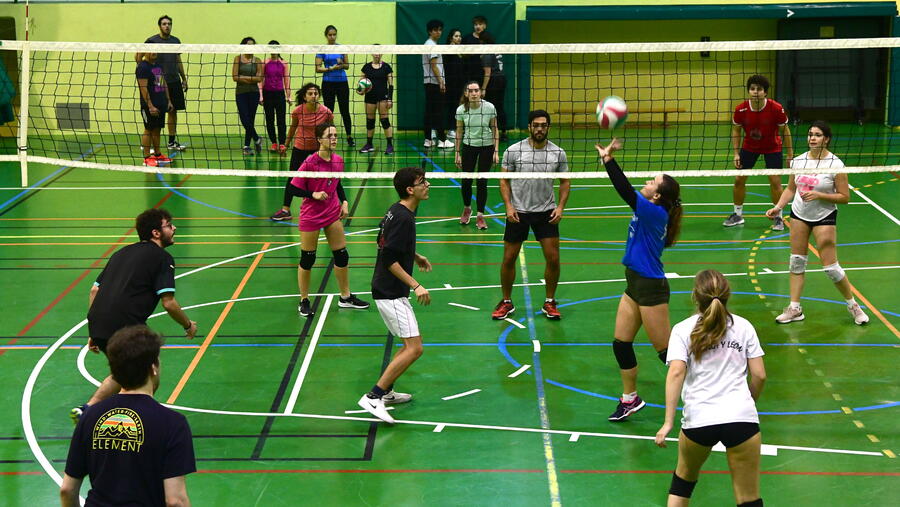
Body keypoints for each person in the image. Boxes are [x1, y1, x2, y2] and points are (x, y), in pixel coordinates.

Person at [72, 208, 198, 424]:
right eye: (169, 225)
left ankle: (88, 410)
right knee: (150, 372)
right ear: (156, 233)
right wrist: (188, 325)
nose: (174, 228)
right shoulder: (162, 258)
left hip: (99, 325)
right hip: (126, 326)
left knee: (124, 372)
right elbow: (169, 303)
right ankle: (135, 419)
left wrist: (94, 329)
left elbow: (94, 291)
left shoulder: (121, 253)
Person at [654, 270, 767, 507]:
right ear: (727, 296)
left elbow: (676, 372)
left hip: (699, 420)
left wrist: (667, 422)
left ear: (695, 297)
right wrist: (748, 403)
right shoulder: (744, 327)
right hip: (741, 419)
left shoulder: (683, 329)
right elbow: (759, 375)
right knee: (749, 499)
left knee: (682, 483)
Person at [595, 138, 683, 422]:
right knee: (621, 344)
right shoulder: (651, 207)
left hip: (650, 288)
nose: (646, 181)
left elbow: (623, 189)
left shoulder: (654, 212)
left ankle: (709, 391)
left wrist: (609, 160)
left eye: (652, 181)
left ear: (657, 195)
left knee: (666, 353)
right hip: (634, 283)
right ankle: (630, 399)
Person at [61, 325, 196, 507]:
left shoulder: (89, 416)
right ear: (153, 368)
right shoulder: (173, 423)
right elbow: (175, 501)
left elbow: (67, 490)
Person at [765, 121, 869, 325]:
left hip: (824, 215)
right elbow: (790, 189)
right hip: (799, 214)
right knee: (796, 261)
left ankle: (853, 306)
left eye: (818, 135)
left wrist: (819, 195)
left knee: (831, 267)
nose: (812, 138)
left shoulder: (836, 165)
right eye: (810, 134)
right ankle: (795, 308)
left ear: (826, 139)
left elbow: (844, 197)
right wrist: (778, 207)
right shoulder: (798, 161)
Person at [358, 167, 433, 424]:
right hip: (391, 293)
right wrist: (416, 285)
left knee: (407, 344)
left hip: (385, 288)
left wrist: (414, 255)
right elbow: (389, 258)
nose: (428, 185)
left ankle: (387, 393)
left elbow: (384, 241)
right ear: (410, 190)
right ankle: (373, 395)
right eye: (423, 182)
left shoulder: (397, 210)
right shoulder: (403, 218)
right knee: (415, 348)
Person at [492, 110, 569, 321]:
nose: (539, 129)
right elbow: (503, 180)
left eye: (543, 125)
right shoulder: (513, 151)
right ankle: (506, 301)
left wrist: (560, 207)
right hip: (518, 211)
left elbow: (565, 182)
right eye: (536, 125)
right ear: (529, 127)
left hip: (546, 211)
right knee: (509, 258)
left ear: (548, 128)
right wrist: (508, 206)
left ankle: (550, 301)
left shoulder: (558, 153)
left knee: (553, 259)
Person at [288, 122, 369, 317]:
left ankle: (345, 297)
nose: (334, 138)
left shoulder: (339, 160)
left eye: (335, 135)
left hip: (332, 212)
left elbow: (336, 182)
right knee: (308, 258)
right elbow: (292, 188)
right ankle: (304, 300)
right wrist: (312, 194)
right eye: (329, 135)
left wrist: (345, 201)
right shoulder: (309, 163)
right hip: (311, 215)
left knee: (342, 255)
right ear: (319, 139)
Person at [725, 74, 793, 230]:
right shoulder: (741, 109)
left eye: (759, 89)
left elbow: (785, 131)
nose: (755, 92)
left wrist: (790, 154)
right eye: (752, 89)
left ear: (765, 92)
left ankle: (778, 217)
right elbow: (736, 131)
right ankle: (737, 215)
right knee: (739, 180)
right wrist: (736, 153)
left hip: (772, 147)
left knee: (775, 182)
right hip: (749, 147)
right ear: (749, 91)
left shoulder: (776, 108)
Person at [270, 83, 333, 221]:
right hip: (300, 149)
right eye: (310, 93)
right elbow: (292, 129)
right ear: (304, 96)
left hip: (317, 151)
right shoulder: (298, 111)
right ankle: (285, 210)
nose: (313, 96)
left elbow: (330, 131)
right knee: (293, 179)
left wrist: (330, 148)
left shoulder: (326, 112)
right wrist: (285, 145)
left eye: (316, 93)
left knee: (322, 180)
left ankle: (327, 208)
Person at [136, 15, 188, 152]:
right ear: (159, 26)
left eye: (169, 23)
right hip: (157, 82)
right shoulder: (152, 41)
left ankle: (171, 142)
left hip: (173, 80)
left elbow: (178, 60)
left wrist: (184, 78)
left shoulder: (176, 41)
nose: (167, 26)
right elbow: (137, 56)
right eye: (164, 24)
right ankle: (147, 144)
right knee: (153, 112)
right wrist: (145, 70)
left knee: (172, 110)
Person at [454, 81, 498, 230]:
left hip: (486, 147)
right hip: (469, 146)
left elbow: (495, 129)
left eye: (476, 91)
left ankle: (480, 215)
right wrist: (457, 153)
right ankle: (467, 208)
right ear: (466, 93)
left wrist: (496, 151)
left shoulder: (489, 107)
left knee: (482, 182)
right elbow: (459, 131)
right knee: (466, 181)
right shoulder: (461, 110)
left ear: (480, 92)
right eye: (470, 91)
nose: (473, 93)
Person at [316, 25, 354, 147]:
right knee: (328, 111)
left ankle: (349, 137)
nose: (332, 37)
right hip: (328, 83)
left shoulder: (341, 48)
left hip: (342, 82)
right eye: (330, 35)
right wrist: (330, 68)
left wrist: (341, 64)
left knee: (345, 110)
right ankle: (328, 136)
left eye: (334, 34)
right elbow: (317, 68)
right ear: (326, 36)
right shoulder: (322, 49)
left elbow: (347, 66)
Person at [136, 52, 173, 168]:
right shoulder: (143, 67)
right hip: (148, 106)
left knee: (157, 129)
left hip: (160, 103)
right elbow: (143, 88)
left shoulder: (157, 66)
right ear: (145, 52)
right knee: (148, 129)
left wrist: (168, 100)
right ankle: (147, 158)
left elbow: (162, 84)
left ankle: (157, 155)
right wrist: (150, 106)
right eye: (150, 50)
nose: (153, 53)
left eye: (155, 50)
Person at [358, 49, 395, 155]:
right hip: (369, 98)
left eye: (379, 52)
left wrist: (390, 99)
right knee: (370, 121)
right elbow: (361, 84)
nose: (377, 54)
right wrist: (360, 91)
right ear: (372, 53)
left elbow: (391, 85)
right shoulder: (366, 67)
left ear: (382, 53)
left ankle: (389, 145)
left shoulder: (386, 67)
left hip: (383, 97)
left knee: (384, 120)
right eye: (375, 52)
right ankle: (369, 144)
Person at [423, 19, 452, 149]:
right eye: (435, 30)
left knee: (430, 111)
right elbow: (434, 66)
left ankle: (428, 139)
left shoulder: (429, 44)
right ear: (430, 31)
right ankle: (442, 140)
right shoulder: (432, 45)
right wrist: (441, 82)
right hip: (434, 83)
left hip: (429, 83)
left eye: (440, 30)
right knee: (438, 112)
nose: (438, 32)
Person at [232, 37, 264, 156]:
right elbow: (235, 77)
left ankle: (246, 146)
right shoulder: (237, 59)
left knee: (250, 119)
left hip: (254, 93)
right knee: (244, 118)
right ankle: (257, 139)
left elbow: (259, 78)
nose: (251, 47)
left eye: (253, 45)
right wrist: (251, 79)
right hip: (241, 92)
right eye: (248, 45)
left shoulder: (257, 60)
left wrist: (243, 78)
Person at [261, 40, 291, 155]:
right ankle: (274, 142)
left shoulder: (284, 63)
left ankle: (282, 143)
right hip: (267, 93)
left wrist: (288, 96)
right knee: (269, 119)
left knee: (281, 119)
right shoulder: (265, 63)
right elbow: (261, 80)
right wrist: (261, 95)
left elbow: (287, 80)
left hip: (279, 94)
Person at [479, 31, 508, 142]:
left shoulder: (487, 53)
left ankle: (491, 131)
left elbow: (487, 72)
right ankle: (503, 132)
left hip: (494, 81)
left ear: (482, 41)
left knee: (491, 106)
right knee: (500, 106)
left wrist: (483, 88)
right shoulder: (496, 50)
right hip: (502, 78)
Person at [443, 28, 465, 140]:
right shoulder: (448, 50)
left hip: (458, 85)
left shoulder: (460, 51)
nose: (459, 38)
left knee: (455, 108)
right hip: (449, 84)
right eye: (456, 36)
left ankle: (452, 129)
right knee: (447, 107)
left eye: (459, 36)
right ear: (451, 37)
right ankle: (442, 130)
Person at [461, 15, 487, 85]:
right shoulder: (467, 38)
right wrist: (467, 54)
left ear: (484, 26)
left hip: (483, 73)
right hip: (468, 72)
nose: (478, 26)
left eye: (480, 24)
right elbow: (461, 55)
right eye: (476, 24)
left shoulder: (488, 39)